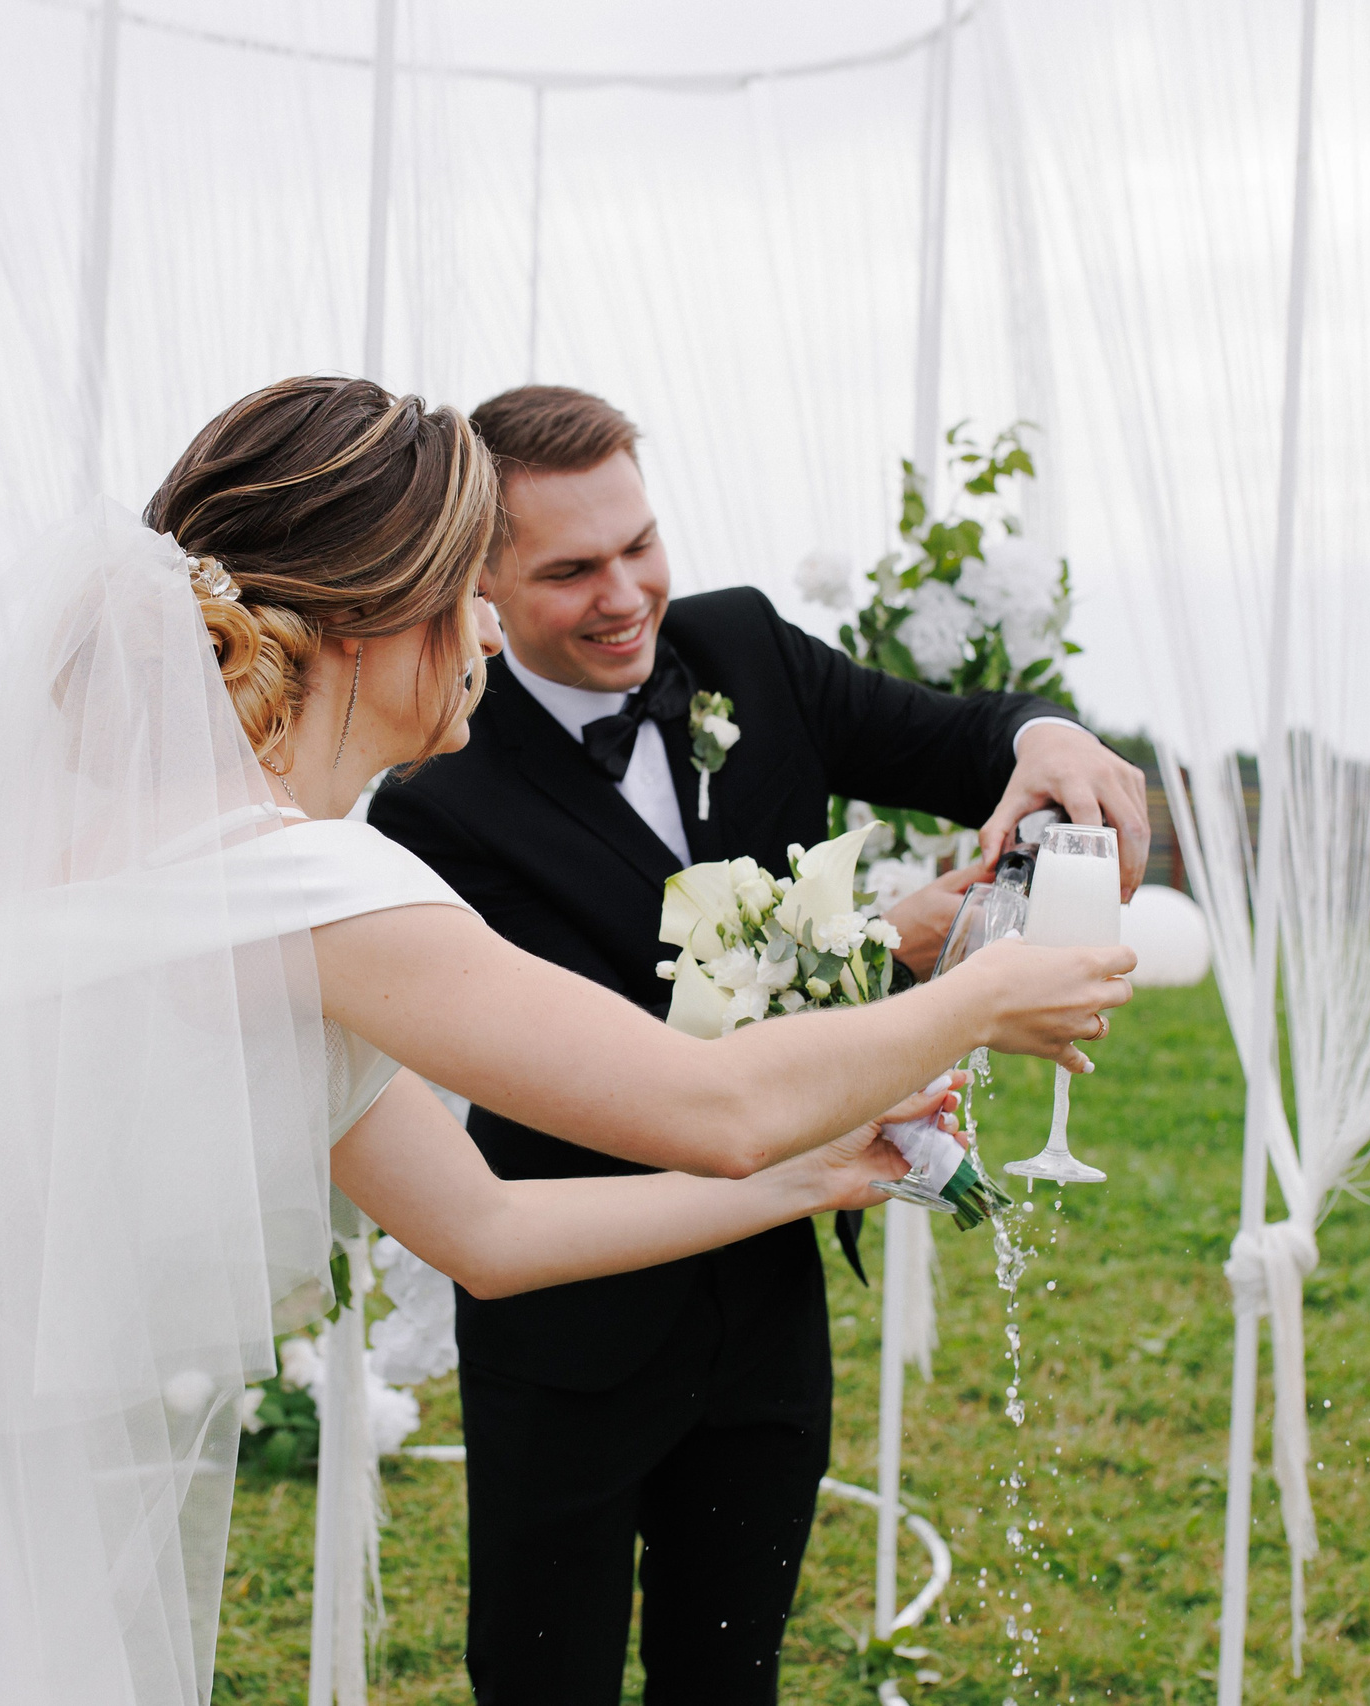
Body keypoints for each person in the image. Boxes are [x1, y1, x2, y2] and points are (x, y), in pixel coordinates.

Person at [0, 377, 1132, 1706]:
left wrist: (813, 1179)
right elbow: (708, 1101)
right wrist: (986, 991)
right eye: (467, 592)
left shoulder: (161, 852)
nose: (491, 636)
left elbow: (485, 1227)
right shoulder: (306, 886)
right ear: (365, 625)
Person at [367, 385, 1153, 1705]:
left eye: (640, 544)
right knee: (540, 1677)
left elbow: (957, 739)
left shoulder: (742, 647)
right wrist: (893, 955)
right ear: (481, 589)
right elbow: (623, 1040)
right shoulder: (439, 794)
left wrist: (1045, 734)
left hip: (767, 1299)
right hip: (571, 1314)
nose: (628, 594)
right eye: (572, 569)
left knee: (730, 1672)